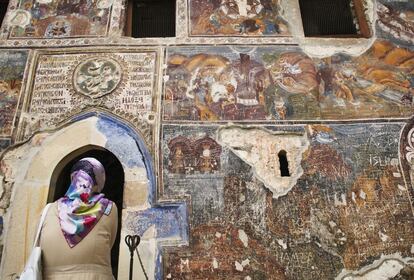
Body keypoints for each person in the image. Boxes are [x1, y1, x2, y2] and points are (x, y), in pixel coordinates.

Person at [39, 157, 118, 280]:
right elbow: (110, 243)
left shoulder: (49, 209)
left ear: (72, 178)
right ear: (98, 182)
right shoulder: (109, 208)